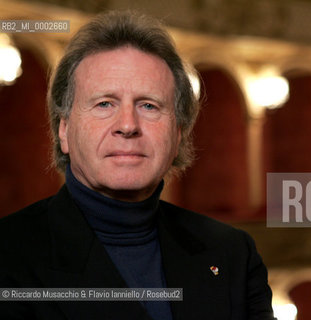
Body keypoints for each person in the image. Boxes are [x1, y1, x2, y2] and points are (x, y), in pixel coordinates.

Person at [0, 11, 275, 320]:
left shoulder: (232, 253)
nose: (128, 125)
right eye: (105, 103)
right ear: (64, 130)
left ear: (178, 134)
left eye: (149, 105)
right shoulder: (6, 257)